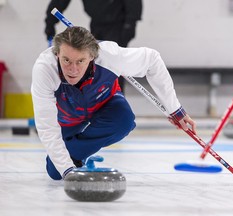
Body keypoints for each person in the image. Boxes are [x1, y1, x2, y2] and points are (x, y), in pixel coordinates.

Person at [31, 26, 196, 180]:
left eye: (80, 61)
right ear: (57, 53)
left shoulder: (110, 55)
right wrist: (68, 170)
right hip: (67, 117)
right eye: (66, 60)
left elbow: (152, 59)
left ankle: (82, 152)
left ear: (92, 56)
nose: (72, 69)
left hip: (105, 103)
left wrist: (175, 110)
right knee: (56, 171)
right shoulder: (44, 69)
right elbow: (46, 126)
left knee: (124, 121)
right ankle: (78, 155)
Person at [44, 0, 142, 94]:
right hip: (97, 24)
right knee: (95, 65)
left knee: (113, 66)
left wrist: (130, 23)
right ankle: (98, 102)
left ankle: (116, 102)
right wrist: (50, 21)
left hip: (117, 25)